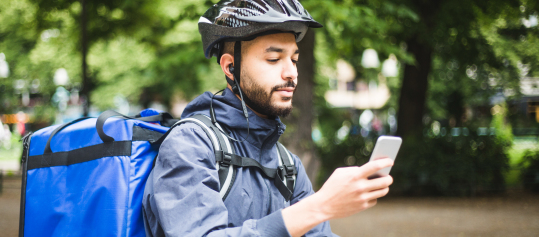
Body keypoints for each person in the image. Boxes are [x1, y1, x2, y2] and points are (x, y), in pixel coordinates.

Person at [142, 0, 394, 236]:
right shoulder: (190, 143)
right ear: (230, 67)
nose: (291, 73)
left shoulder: (288, 165)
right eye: (274, 59)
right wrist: (319, 206)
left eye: (294, 59)